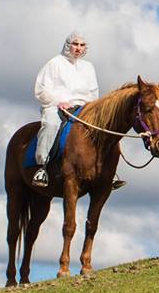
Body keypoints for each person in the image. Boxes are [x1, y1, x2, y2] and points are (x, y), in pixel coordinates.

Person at [32, 31, 108, 188]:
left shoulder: (88, 67)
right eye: (75, 44)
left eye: (82, 45)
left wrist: (92, 108)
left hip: (83, 107)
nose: (78, 48)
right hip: (57, 106)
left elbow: (94, 93)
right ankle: (42, 167)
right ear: (68, 45)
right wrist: (58, 101)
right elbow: (40, 90)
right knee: (51, 125)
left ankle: (108, 171)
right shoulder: (55, 63)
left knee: (104, 128)